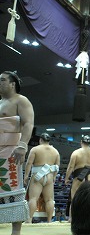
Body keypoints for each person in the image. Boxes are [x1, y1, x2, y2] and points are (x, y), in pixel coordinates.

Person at [0, 71, 34, 235]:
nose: (0, 83)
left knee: (14, 189)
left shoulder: (21, 100)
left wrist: (22, 145)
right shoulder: (0, 102)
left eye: (3, 80)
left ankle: (16, 231)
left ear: (13, 84)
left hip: (12, 150)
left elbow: (28, 123)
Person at [23, 133, 60, 223]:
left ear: (40, 140)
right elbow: (57, 166)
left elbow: (28, 163)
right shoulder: (55, 151)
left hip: (37, 175)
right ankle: (49, 220)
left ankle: (29, 220)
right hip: (50, 176)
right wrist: (54, 177)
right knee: (49, 200)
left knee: (33, 198)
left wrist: (26, 176)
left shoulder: (35, 149)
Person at [65, 135, 90, 220]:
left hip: (79, 177)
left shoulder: (76, 153)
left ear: (81, 142)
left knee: (74, 199)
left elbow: (70, 167)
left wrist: (67, 178)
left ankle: (71, 219)